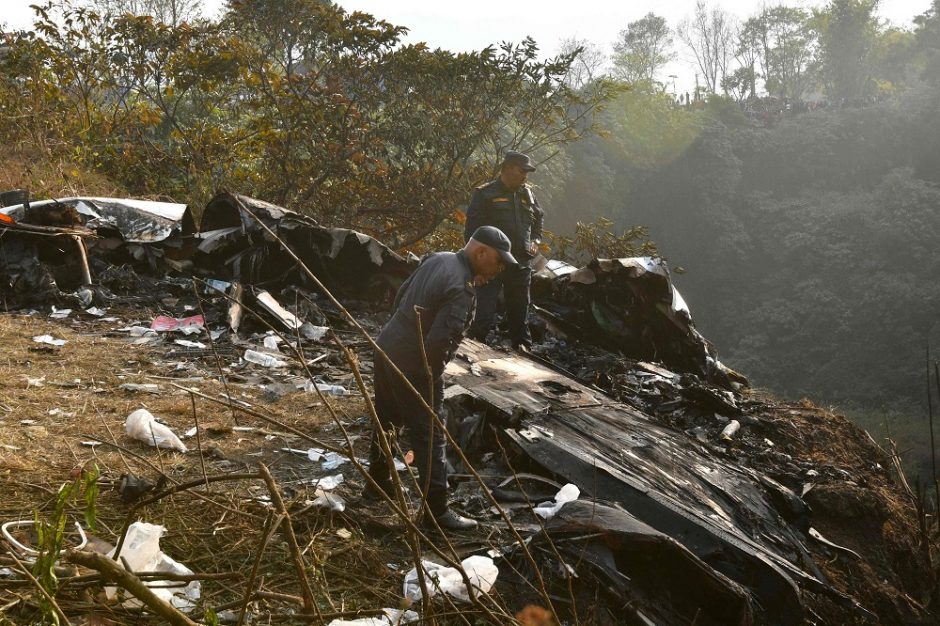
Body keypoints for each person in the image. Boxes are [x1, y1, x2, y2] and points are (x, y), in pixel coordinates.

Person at [367, 226, 516, 530]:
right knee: (431, 432)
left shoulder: (439, 258)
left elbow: (402, 297)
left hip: (387, 345)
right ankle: (437, 511)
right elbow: (438, 344)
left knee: (387, 419)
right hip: (414, 361)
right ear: (481, 252)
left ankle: (377, 485)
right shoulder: (461, 288)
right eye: (498, 263)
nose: (498, 271)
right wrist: (432, 381)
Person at [463, 151, 544, 350]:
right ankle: (474, 346)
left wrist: (536, 239)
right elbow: (471, 232)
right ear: (507, 169)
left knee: (519, 309)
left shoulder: (528, 195)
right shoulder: (485, 193)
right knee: (485, 308)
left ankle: (522, 348)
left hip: (521, 262)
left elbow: (539, 219)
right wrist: (476, 266)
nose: (525, 175)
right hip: (493, 262)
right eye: (521, 170)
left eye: (528, 172)